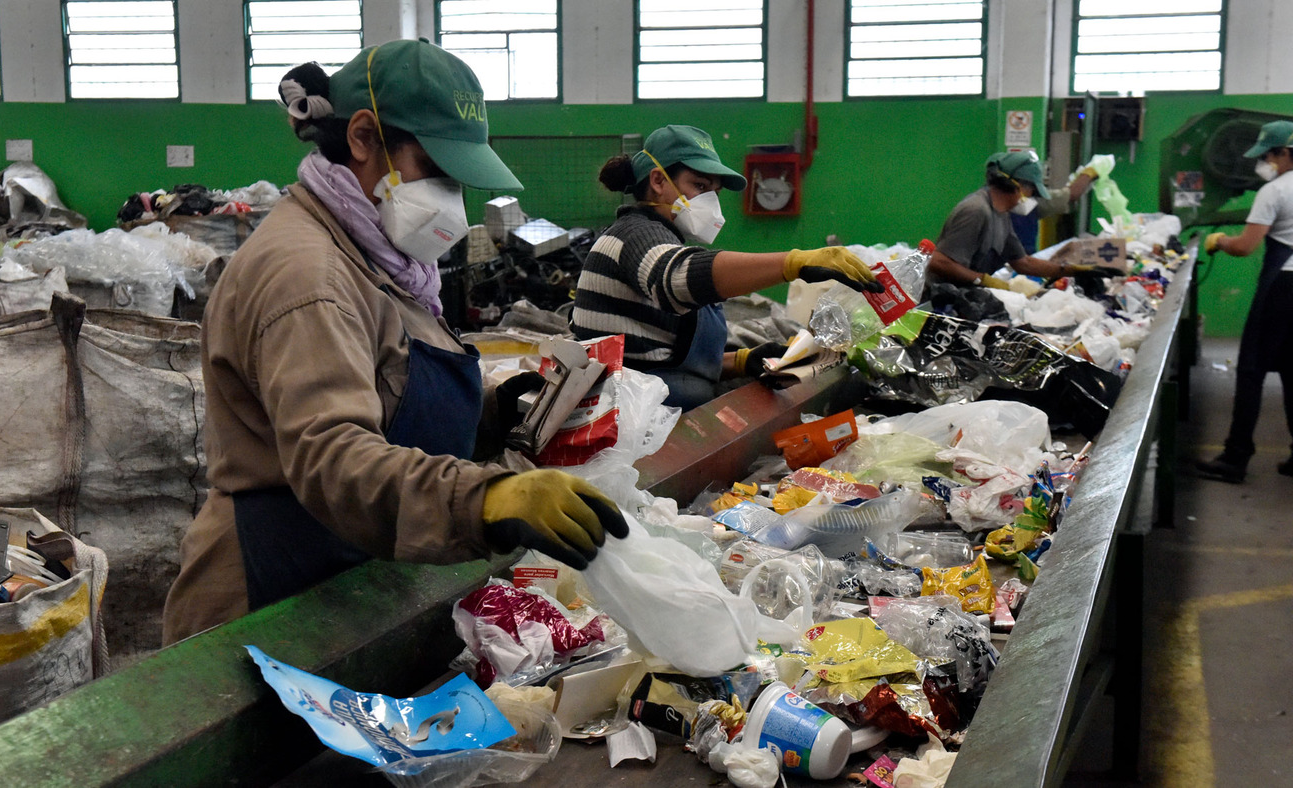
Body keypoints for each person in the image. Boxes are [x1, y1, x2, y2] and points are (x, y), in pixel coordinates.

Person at [162, 40, 626, 645]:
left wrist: (502, 407)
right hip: (273, 597)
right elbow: (334, 458)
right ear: (362, 138)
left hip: (348, 573)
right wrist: (488, 499)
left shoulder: (379, 256)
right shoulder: (310, 276)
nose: (452, 203)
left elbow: (389, 385)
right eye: (436, 171)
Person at [569, 124, 883, 410]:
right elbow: (675, 279)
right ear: (658, 181)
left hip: (659, 400)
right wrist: (793, 263)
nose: (710, 201)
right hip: (627, 417)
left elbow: (660, 354)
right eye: (699, 185)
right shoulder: (636, 234)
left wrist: (742, 361)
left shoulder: (660, 237)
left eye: (714, 192)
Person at [1194, 120, 1293, 484]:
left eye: (1268, 154)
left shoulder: (1276, 190)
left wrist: (1219, 239)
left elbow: (1245, 246)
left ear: (1284, 152)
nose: (1264, 162)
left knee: (1251, 370)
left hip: (1283, 287)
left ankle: (1235, 458)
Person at [928, 151, 1122, 291]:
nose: (1031, 199)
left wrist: (1073, 270)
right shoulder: (976, 211)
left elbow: (1024, 262)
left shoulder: (1002, 214)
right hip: (936, 300)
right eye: (1032, 192)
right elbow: (939, 262)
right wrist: (984, 281)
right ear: (1017, 186)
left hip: (961, 294)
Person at [1010, 155, 1108, 254]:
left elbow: (1068, 195)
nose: (1030, 194)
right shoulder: (1020, 206)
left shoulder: (1030, 203)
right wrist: (1089, 173)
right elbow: (1071, 194)